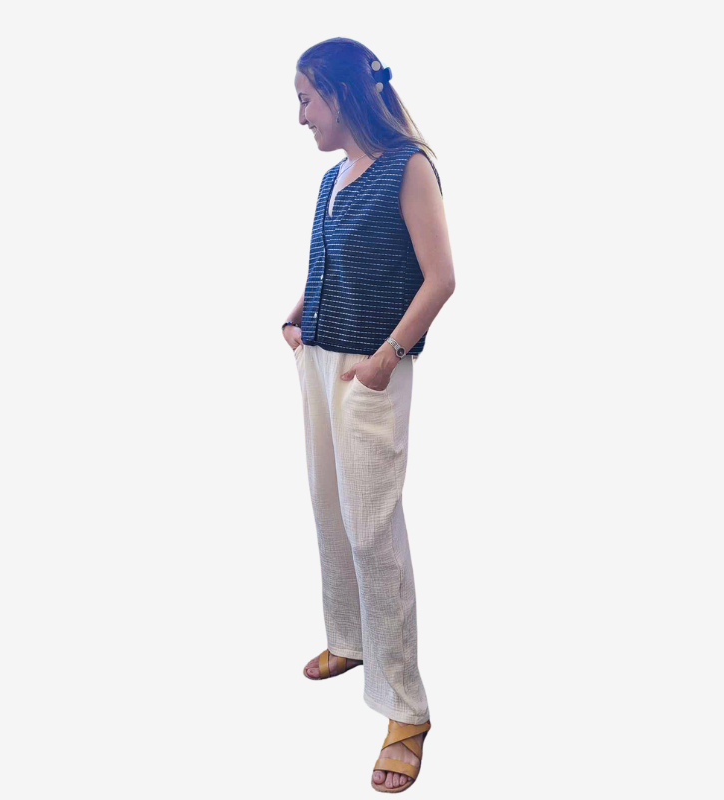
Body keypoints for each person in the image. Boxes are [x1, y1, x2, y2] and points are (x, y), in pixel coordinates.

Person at [285, 38, 455, 794]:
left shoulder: (407, 167)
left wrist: (388, 356)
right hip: (320, 357)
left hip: (370, 369)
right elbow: (328, 262)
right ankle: (349, 638)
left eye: (306, 100)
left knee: (371, 530)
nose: (301, 118)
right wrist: (296, 316)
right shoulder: (332, 178)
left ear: (340, 94)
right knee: (329, 510)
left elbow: (441, 278)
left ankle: (406, 709)